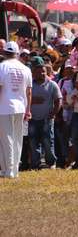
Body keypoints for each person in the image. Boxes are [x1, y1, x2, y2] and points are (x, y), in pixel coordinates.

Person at [0, 42, 33, 178]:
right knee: (17, 139)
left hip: (4, 107)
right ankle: (13, 170)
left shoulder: (2, 67)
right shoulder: (25, 69)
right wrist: (28, 110)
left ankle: (9, 171)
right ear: (17, 53)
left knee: (6, 139)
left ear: (4, 52)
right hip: (20, 107)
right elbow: (29, 91)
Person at [28, 57, 62, 170]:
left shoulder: (52, 85)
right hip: (32, 119)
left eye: (43, 71)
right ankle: (35, 164)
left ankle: (51, 163)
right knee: (33, 142)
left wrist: (53, 113)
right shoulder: (29, 85)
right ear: (33, 73)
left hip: (47, 119)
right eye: (38, 71)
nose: (42, 73)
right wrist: (33, 100)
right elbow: (23, 98)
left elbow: (58, 100)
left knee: (48, 142)